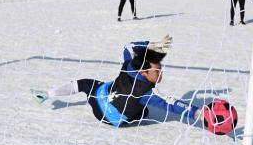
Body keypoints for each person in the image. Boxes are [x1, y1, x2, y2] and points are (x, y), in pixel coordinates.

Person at [31, 36, 207, 128]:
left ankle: (46, 95)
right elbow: (171, 104)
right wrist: (198, 113)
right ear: (143, 72)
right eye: (157, 70)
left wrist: (151, 45)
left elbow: (129, 46)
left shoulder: (129, 65)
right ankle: (47, 94)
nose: (160, 73)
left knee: (84, 83)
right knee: (144, 111)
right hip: (111, 119)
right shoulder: (146, 93)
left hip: (100, 98)